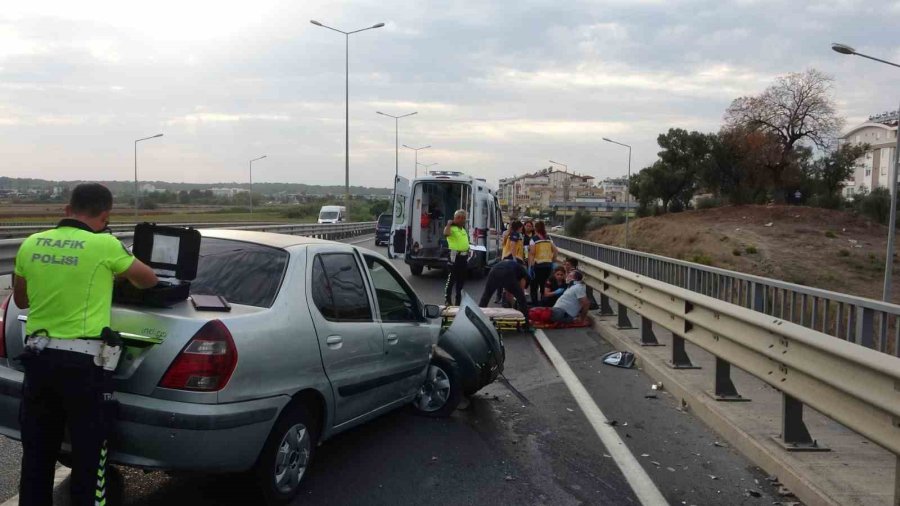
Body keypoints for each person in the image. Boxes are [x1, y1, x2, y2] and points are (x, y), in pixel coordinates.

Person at [13, 183, 158, 506]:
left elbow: (21, 299)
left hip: (38, 361)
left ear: (67, 209)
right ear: (105, 216)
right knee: (90, 456)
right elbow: (148, 280)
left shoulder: (31, 243)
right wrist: (114, 275)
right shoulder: (105, 245)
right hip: (84, 368)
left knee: (37, 454)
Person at [479, 256, 530, 326]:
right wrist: (518, 303)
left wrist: (510, 308)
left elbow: (509, 290)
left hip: (494, 270)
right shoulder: (523, 271)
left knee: (486, 296)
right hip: (507, 272)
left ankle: (478, 318)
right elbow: (521, 290)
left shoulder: (512, 265)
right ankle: (526, 324)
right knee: (522, 300)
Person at [443, 209, 470, 306]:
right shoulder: (451, 228)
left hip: (464, 257)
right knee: (452, 278)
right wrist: (449, 224)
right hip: (454, 256)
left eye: (463, 218)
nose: (461, 220)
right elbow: (445, 233)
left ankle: (458, 300)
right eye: (458, 217)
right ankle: (447, 299)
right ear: (455, 218)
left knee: (461, 279)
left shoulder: (463, 229)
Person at [528, 221, 558, 305]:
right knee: (544, 285)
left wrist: (530, 266)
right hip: (548, 265)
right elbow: (556, 251)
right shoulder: (548, 238)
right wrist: (552, 260)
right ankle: (543, 303)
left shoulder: (534, 239)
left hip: (537, 265)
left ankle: (535, 304)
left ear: (536, 228)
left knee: (534, 286)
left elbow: (532, 253)